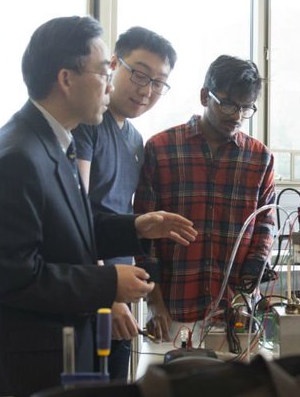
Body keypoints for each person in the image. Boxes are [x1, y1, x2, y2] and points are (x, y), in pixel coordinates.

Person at [0, 16, 197, 397]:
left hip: (51, 359)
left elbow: (68, 232)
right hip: (18, 371)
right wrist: (109, 283)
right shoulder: (16, 158)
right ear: (66, 79)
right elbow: (13, 277)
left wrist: (134, 227)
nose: (109, 85)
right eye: (104, 73)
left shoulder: (52, 143)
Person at [136, 55, 276, 342]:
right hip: (173, 311)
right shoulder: (161, 149)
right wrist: (154, 302)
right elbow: (143, 237)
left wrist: (246, 289)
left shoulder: (259, 157)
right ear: (204, 96)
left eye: (245, 108)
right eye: (227, 104)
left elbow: (265, 226)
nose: (236, 116)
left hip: (234, 313)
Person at [71, 26, 176, 381]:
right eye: (140, 75)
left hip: (121, 289)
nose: (146, 90)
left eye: (158, 83)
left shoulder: (135, 139)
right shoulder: (87, 125)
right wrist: (108, 296)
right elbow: (78, 214)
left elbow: (124, 215)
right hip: (92, 287)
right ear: (114, 64)